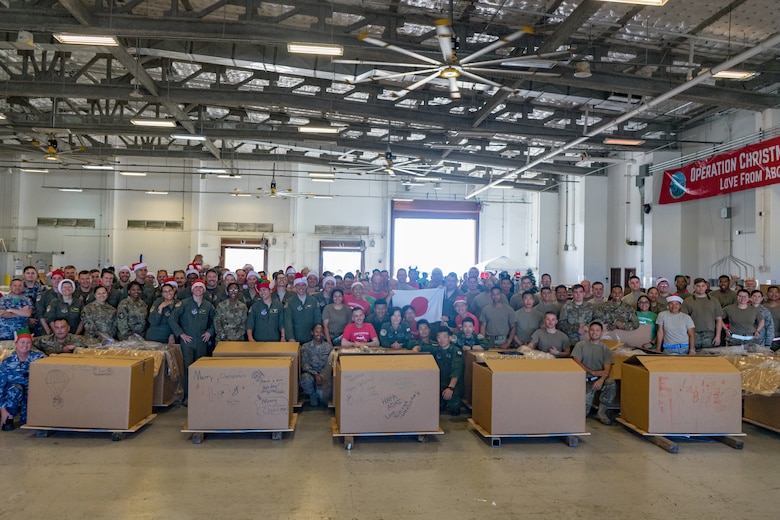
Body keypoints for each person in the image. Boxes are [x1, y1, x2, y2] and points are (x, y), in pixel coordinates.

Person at [169, 279, 215, 400]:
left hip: (202, 341)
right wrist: (181, 334)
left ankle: (200, 395)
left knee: (200, 369)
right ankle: (187, 396)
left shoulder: (208, 305)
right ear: (192, 289)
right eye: (196, 287)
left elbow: (215, 321)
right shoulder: (184, 304)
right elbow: (172, 319)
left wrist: (210, 332)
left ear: (204, 290)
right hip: (187, 342)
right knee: (187, 368)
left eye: (201, 287)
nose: (198, 290)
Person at [571, 322, 616, 425]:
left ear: (601, 333)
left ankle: (601, 413)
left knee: (611, 383)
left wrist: (601, 380)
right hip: (584, 381)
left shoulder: (605, 348)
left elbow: (607, 368)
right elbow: (576, 362)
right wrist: (592, 372)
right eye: (592, 330)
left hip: (598, 380)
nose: (594, 332)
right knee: (582, 414)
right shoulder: (580, 345)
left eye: (597, 330)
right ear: (589, 332)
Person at [1, 332, 46, 430]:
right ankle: (9, 417)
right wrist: (2, 410)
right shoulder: (7, 362)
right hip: (14, 393)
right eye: (22, 342)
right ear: (16, 344)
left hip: (32, 394)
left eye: (28, 342)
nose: (25, 345)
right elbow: (0, 387)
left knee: (27, 422)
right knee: (15, 390)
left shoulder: (40, 357)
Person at [420, 327, 463, 416]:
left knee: (454, 409)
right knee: (438, 408)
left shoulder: (456, 351)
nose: (441, 340)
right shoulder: (435, 349)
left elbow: (456, 372)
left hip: (452, 384)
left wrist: (450, 388)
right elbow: (421, 347)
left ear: (450, 338)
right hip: (438, 384)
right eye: (439, 337)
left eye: (444, 337)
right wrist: (416, 348)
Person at [681, 278, 723, 350]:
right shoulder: (687, 301)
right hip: (693, 334)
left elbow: (719, 319)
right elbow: (683, 321)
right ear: (694, 287)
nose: (700, 288)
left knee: (709, 359)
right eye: (698, 286)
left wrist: (718, 336)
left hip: (710, 334)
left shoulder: (714, 300)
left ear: (706, 287)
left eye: (703, 286)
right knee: (693, 358)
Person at [300, 324, 333, 407]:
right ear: (312, 332)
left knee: (323, 400)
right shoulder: (305, 347)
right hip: (311, 375)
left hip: (325, 376)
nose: (319, 334)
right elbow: (305, 365)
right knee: (304, 378)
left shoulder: (329, 348)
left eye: (321, 332)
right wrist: (316, 375)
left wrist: (322, 376)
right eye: (316, 332)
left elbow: (330, 365)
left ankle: (321, 395)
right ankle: (313, 395)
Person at [284, 275, 322, 344]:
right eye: (298, 285)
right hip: (295, 338)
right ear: (295, 287)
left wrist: (316, 335)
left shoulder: (313, 300)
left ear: (306, 286)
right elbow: (288, 321)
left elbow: (317, 319)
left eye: (303, 285)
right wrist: (290, 337)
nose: (301, 287)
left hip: (310, 338)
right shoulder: (290, 302)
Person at [763, 285, 780, 351]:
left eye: (776, 292)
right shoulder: (761, 307)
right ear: (767, 294)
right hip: (763, 341)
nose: (774, 294)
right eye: (771, 292)